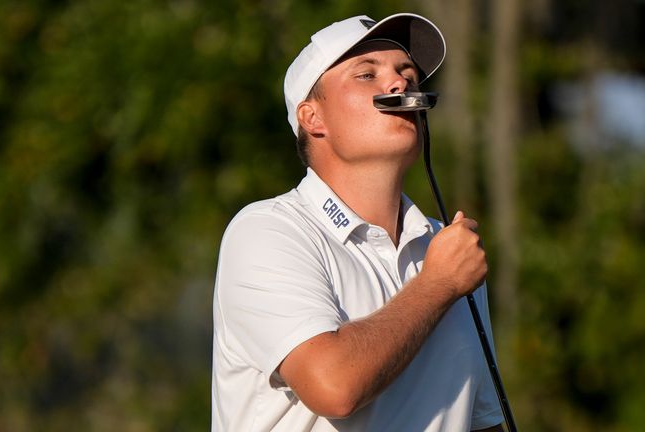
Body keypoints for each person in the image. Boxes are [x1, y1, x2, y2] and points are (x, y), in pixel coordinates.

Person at [211, 13, 504, 432]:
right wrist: (438, 285)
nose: (400, 84)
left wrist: (443, 275)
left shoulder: (448, 249)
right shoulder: (266, 231)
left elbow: (481, 422)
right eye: (367, 74)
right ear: (313, 118)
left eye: (408, 74)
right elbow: (333, 387)